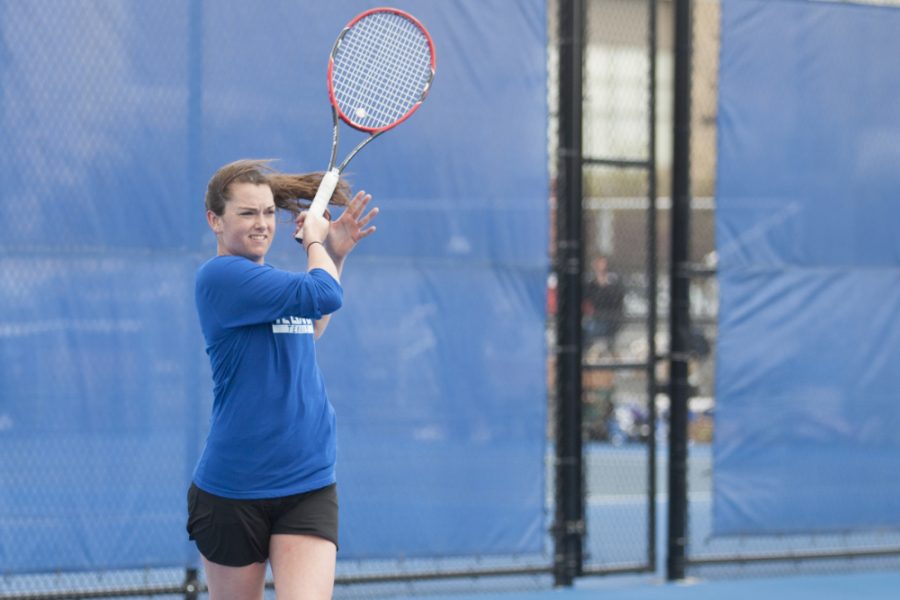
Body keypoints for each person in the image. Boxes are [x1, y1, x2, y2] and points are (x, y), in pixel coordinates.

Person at [186, 159, 378, 600]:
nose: (262, 224)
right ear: (214, 220)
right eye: (247, 213)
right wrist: (315, 241)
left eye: (269, 212)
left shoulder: (270, 284)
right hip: (234, 489)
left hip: (307, 479)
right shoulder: (219, 278)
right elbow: (323, 293)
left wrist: (336, 255)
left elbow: (309, 327)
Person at [583, 255, 626, 355]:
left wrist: (603, 284)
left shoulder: (613, 281)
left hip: (612, 317)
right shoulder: (591, 283)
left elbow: (615, 298)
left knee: (590, 331)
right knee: (585, 330)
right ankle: (586, 354)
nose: (600, 266)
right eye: (597, 264)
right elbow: (590, 298)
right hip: (597, 317)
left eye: (601, 263)